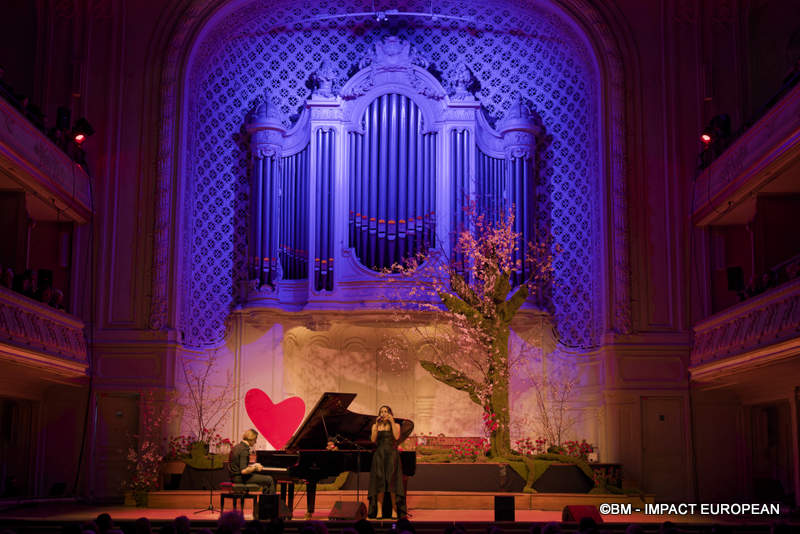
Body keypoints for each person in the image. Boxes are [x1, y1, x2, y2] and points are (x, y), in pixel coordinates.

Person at [367, 405, 404, 519]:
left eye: (385, 411)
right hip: (379, 456)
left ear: (390, 413)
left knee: (392, 482)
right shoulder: (375, 425)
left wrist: (392, 421)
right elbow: (373, 440)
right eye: (381, 412)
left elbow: (397, 437)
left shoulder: (396, 425)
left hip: (392, 455)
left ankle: (394, 509)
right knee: (380, 483)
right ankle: (379, 511)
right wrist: (377, 425)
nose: (383, 413)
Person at [228, 429, 275, 494]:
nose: (255, 442)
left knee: (264, 478)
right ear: (251, 438)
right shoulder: (244, 450)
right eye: (255, 439)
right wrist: (255, 467)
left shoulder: (237, 447)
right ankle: (270, 503)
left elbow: (240, 466)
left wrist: (253, 466)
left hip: (234, 477)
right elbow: (243, 471)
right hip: (240, 478)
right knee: (269, 479)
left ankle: (265, 502)